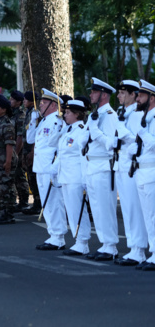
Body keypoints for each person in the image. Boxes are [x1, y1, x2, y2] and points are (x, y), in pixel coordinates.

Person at [110, 80, 149, 265]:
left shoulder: (137, 114)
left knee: (134, 209)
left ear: (134, 95)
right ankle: (133, 247)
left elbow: (137, 140)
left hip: (132, 166)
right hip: (121, 165)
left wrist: (121, 130)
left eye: (123, 93)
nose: (119, 96)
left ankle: (139, 249)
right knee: (126, 209)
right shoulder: (122, 113)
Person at [81, 78, 119, 261]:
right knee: (96, 208)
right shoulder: (94, 115)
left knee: (105, 207)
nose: (90, 95)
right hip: (92, 164)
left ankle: (111, 246)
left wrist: (95, 132)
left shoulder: (110, 115)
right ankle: (105, 244)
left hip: (104, 165)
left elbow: (111, 143)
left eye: (94, 92)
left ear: (103, 94)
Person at [54, 99, 92, 256]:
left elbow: (83, 157)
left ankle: (83, 242)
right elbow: (54, 146)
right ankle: (78, 241)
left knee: (78, 210)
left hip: (76, 177)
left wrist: (84, 180)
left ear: (77, 114)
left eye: (68, 113)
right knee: (71, 210)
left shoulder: (82, 130)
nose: (64, 115)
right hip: (66, 177)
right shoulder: (67, 130)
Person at [28, 89, 65, 251]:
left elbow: (56, 145)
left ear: (52, 105)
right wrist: (32, 121)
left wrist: (53, 167)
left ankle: (58, 236)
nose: (40, 105)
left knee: (54, 202)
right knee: (46, 202)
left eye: (43, 102)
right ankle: (53, 235)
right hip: (41, 167)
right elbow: (30, 139)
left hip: (50, 168)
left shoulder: (57, 121)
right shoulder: (43, 121)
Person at [127, 80, 155, 270]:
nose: (137, 99)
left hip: (152, 170)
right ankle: (152, 252)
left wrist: (141, 131)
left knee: (153, 215)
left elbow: (153, 144)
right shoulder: (145, 117)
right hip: (142, 171)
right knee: (147, 216)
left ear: (152, 98)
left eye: (141, 96)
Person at [0, 94, 18, 225]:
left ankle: (8, 212)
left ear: (4, 109)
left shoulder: (7, 124)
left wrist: (8, 162)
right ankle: (0, 210)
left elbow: (9, 145)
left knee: (6, 186)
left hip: (4, 158)